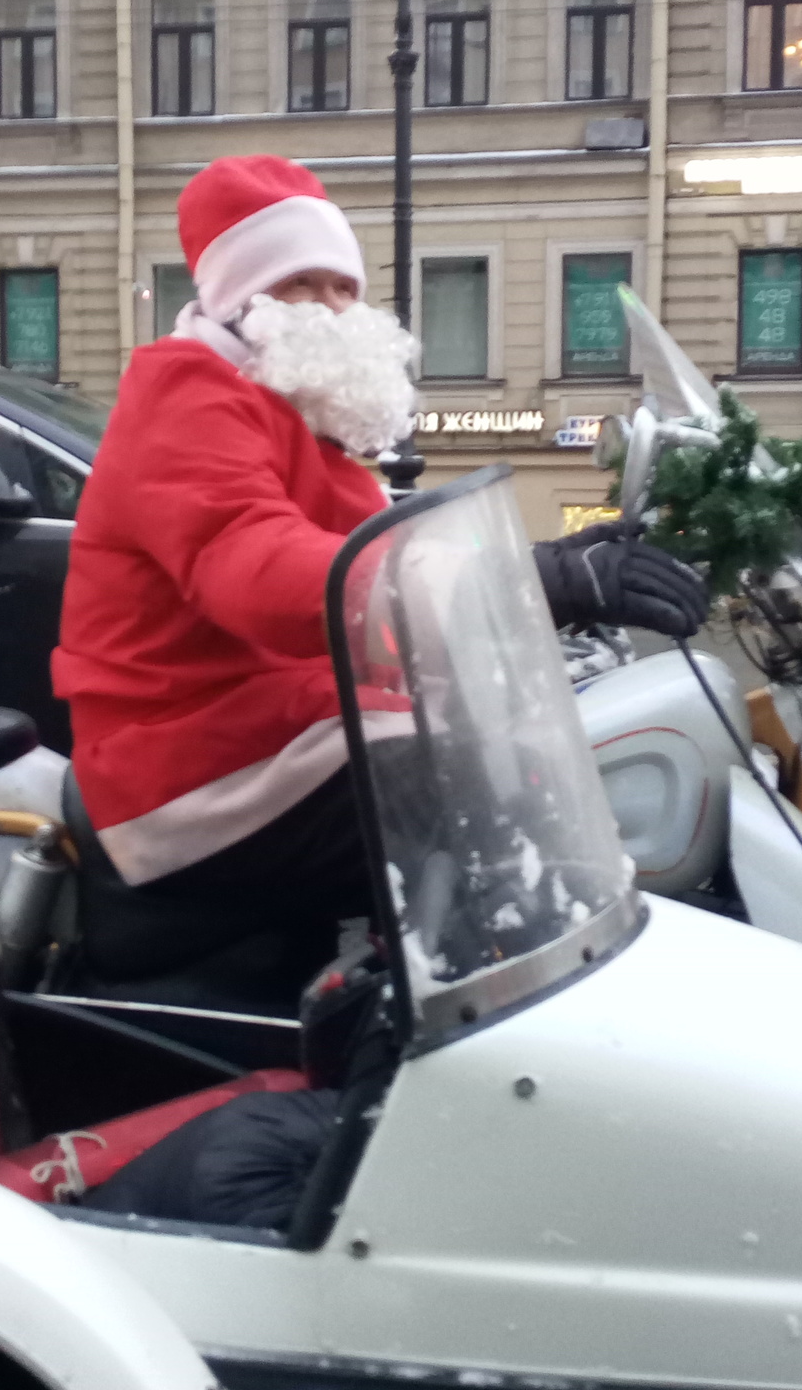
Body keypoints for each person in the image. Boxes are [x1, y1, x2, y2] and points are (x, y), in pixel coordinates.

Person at [51, 153, 706, 998]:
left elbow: (394, 550)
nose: (329, 308)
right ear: (237, 299)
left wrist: (537, 568)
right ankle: (444, 1089)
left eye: (343, 288)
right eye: (299, 285)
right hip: (198, 767)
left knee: (518, 769)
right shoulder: (186, 393)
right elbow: (256, 567)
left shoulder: (290, 411)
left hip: (282, 732)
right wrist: (522, 581)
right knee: (493, 825)